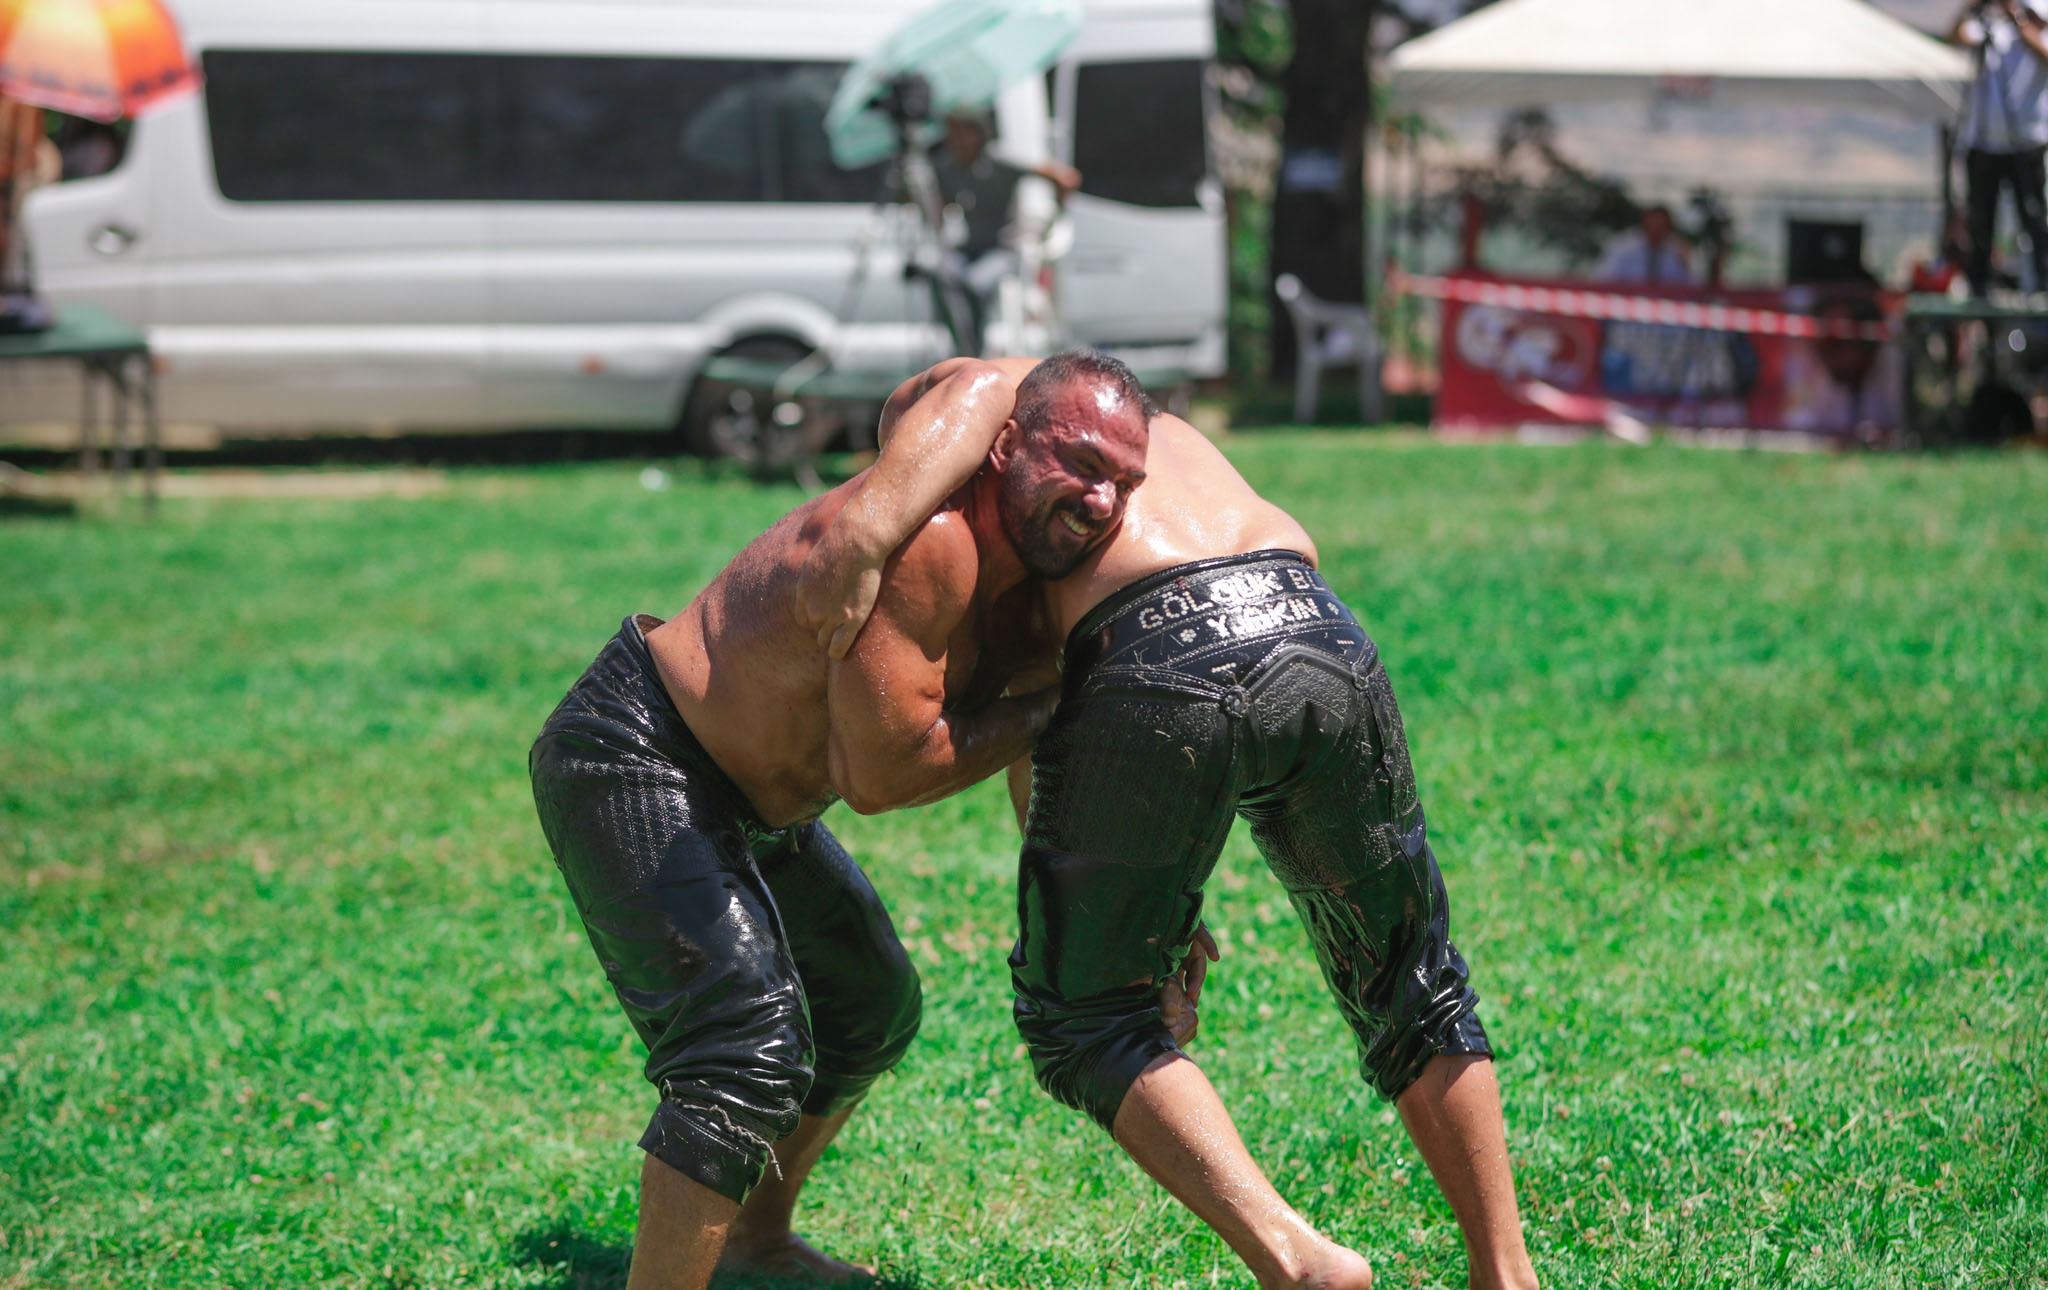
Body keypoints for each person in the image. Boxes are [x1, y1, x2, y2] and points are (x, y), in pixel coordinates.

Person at [802, 355, 1541, 1290]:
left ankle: (1299, 1260)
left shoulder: (1013, 497)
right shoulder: (1145, 429)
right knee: (1410, 975)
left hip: (1150, 645)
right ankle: (1506, 1273)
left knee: (1085, 1015)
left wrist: (1127, 920)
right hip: (1316, 622)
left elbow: (1045, 704)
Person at [528, 353, 1152, 1290]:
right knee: (744, 1042)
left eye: (1124, 483)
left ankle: (756, 1241)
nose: (1102, 502)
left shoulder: (1035, 582)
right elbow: (885, 773)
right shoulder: (930, 536)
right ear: (1004, 445)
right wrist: (1046, 703)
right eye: (1082, 465)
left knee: (868, 1003)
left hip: (758, 803)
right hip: (637, 753)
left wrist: (1091, 907)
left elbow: (1031, 770)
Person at [928, 108, 1082, 338]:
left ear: (976, 133)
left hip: (1003, 249)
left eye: (958, 132)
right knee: (939, 276)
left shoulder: (1001, 161)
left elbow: (1065, 178)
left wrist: (1055, 217)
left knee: (975, 283)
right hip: (970, 247)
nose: (952, 139)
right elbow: (941, 203)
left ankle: (974, 349)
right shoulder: (949, 167)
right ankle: (958, 344)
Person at [1952, 0, 2048, 294]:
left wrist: (2020, 22)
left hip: (2026, 144)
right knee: (1980, 223)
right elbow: (1954, 36)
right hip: (1983, 145)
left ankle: (2044, 285)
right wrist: (1972, 6)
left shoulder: (2034, 33)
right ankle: (1979, 287)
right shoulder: (1988, 28)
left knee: (2033, 219)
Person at [1595, 204, 1695, 285]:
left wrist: (1686, 263)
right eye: (1654, 224)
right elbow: (1605, 278)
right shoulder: (1623, 247)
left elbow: (1693, 284)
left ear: (1668, 228)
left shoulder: (1676, 250)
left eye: (1662, 226)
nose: (1657, 230)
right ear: (1644, 224)